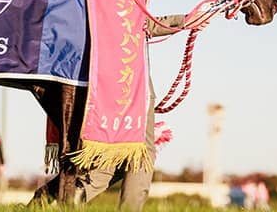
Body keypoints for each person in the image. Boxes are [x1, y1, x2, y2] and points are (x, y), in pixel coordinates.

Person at [75, 15, 191, 211]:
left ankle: (61, 197)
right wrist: (186, 20)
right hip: (126, 79)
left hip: (95, 73)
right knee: (141, 151)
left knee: (116, 158)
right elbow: (136, 21)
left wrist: (186, 21)